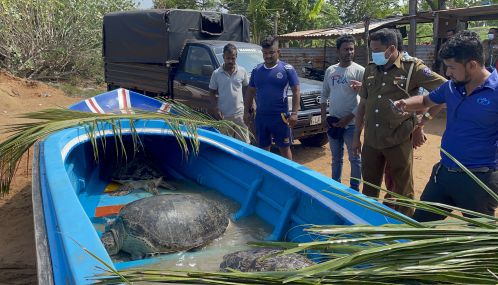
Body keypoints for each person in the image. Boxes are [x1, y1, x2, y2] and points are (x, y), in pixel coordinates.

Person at [394, 31, 498, 221]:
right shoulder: (451, 87)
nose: (447, 73)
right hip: (443, 175)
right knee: (420, 227)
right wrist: (405, 103)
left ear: (472, 65)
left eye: (451, 67)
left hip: (479, 181)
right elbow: (426, 100)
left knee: (479, 241)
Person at [352, 28, 446, 216]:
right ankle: (368, 224)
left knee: (403, 190)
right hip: (372, 140)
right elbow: (363, 105)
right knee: (369, 188)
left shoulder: (412, 67)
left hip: (398, 139)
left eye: (377, 49)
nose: (374, 53)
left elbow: (445, 90)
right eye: (372, 49)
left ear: (391, 48)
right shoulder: (370, 68)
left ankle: (404, 228)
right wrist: (357, 137)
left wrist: (422, 121)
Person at [244, 36, 300, 160]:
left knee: (284, 149)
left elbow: (296, 91)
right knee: (263, 149)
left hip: (280, 117)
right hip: (261, 117)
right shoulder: (257, 70)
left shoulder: (287, 69)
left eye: (271, 53)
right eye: (265, 53)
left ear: (278, 52)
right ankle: (266, 175)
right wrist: (246, 111)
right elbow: (250, 91)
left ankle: (288, 177)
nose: (268, 56)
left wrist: (295, 113)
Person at [320, 35, 364, 190]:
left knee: (355, 158)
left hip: (352, 124)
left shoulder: (360, 71)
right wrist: (324, 116)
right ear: (337, 51)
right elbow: (324, 94)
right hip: (334, 123)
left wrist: (349, 117)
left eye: (351, 49)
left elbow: (364, 99)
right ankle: (335, 186)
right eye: (346, 49)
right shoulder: (331, 71)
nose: (349, 52)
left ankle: (354, 189)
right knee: (336, 158)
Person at [209, 43, 250, 143]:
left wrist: (250, 106)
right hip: (224, 115)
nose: (230, 61)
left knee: (245, 144)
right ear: (223, 57)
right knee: (225, 144)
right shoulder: (216, 73)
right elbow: (211, 93)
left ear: (236, 57)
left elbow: (247, 89)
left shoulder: (242, 71)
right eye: (228, 58)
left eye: (233, 58)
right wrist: (216, 109)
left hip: (240, 115)